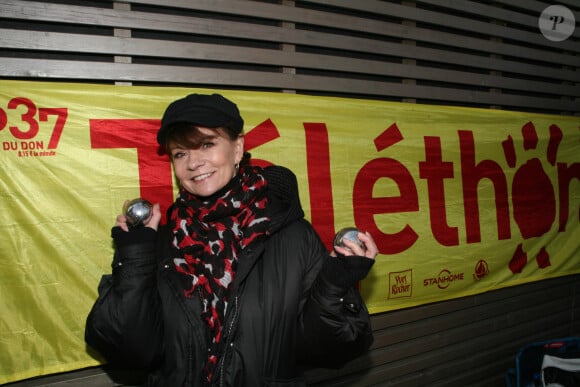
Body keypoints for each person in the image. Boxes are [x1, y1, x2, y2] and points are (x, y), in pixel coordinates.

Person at [85, 93, 378, 386]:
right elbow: (131, 351)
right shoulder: (162, 241)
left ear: (238, 148)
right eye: (180, 153)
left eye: (207, 144)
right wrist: (136, 255)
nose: (193, 163)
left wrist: (334, 285)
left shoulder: (291, 235)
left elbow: (336, 348)